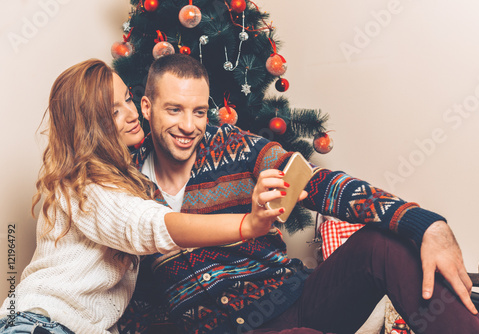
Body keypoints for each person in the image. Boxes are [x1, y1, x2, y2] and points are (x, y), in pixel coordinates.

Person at [117, 53, 479, 334]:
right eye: (174, 110)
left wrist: (425, 224)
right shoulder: (122, 181)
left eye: (199, 112)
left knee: (384, 243)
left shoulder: (235, 146)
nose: (188, 126)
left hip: (294, 298)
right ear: (147, 108)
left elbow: (317, 183)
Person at [0, 59, 292, 334]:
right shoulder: (83, 183)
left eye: (127, 99)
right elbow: (149, 225)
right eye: (113, 112)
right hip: (41, 323)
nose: (131, 114)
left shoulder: (125, 175)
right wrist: (249, 225)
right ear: (90, 127)